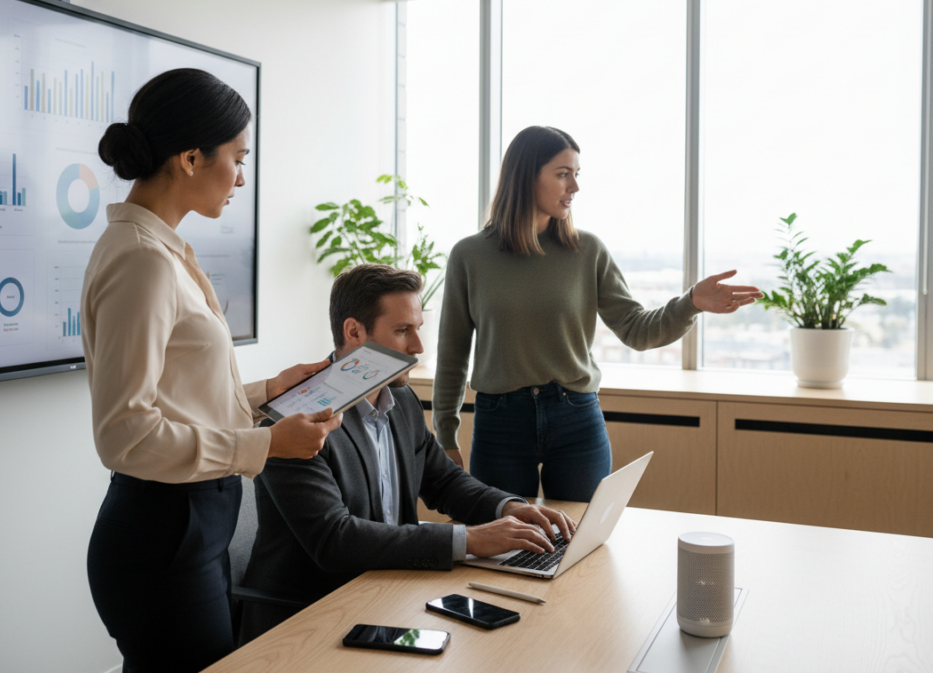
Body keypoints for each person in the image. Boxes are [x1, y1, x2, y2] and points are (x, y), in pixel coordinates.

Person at [82, 68, 343, 673]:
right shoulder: (144, 260)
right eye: (238, 157)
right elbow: (125, 433)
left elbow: (175, 396)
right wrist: (266, 443)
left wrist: (265, 393)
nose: (243, 176)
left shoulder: (160, 248)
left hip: (189, 527)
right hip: (162, 535)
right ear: (192, 158)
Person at [240, 263, 577, 641]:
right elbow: (334, 540)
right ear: (354, 332)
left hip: (390, 593)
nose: (417, 348)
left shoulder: (401, 399)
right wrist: (471, 540)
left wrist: (510, 508)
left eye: (417, 329)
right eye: (402, 331)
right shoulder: (292, 423)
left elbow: (444, 481)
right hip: (310, 617)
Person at [433, 125, 762, 502]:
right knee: (504, 544)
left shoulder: (587, 251)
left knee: (581, 543)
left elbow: (636, 330)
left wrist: (689, 303)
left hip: (575, 417)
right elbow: (453, 353)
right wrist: (445, 434)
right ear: (525, 176)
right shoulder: (469, 256)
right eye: (562, 174)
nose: (574, 187)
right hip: (500, 422)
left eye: (576, 175)